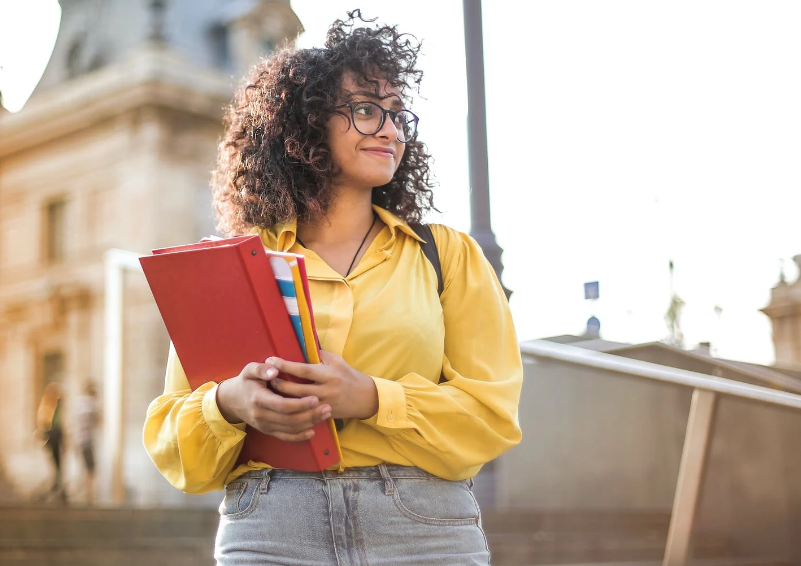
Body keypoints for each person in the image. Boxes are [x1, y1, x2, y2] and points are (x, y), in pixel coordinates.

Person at [143, 11, 523, 566]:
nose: (390, 130)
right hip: (271, 527)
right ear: (306, 125)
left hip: (424, 528)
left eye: (397, 115)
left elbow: (492, 416)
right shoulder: (235, 268)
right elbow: (174, 441)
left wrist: (371, 397)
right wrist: (230, 403)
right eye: (367, 110)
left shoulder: (447, 256)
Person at [36, 382, 66, 504]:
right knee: (55, 463)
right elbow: (44, 423)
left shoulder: (56, 407)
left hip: (55, 436)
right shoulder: (47, 407)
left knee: (58, 464)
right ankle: (56, 486)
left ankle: (57, 486)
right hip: (52, 436)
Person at [73, 380, 100, 505]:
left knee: (83, 468)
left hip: (78, 440)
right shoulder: (90, 405)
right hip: (87, 441)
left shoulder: (79, 404)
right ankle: (88, 496)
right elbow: (98, 421)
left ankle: (83, 494)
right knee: (91, 470)